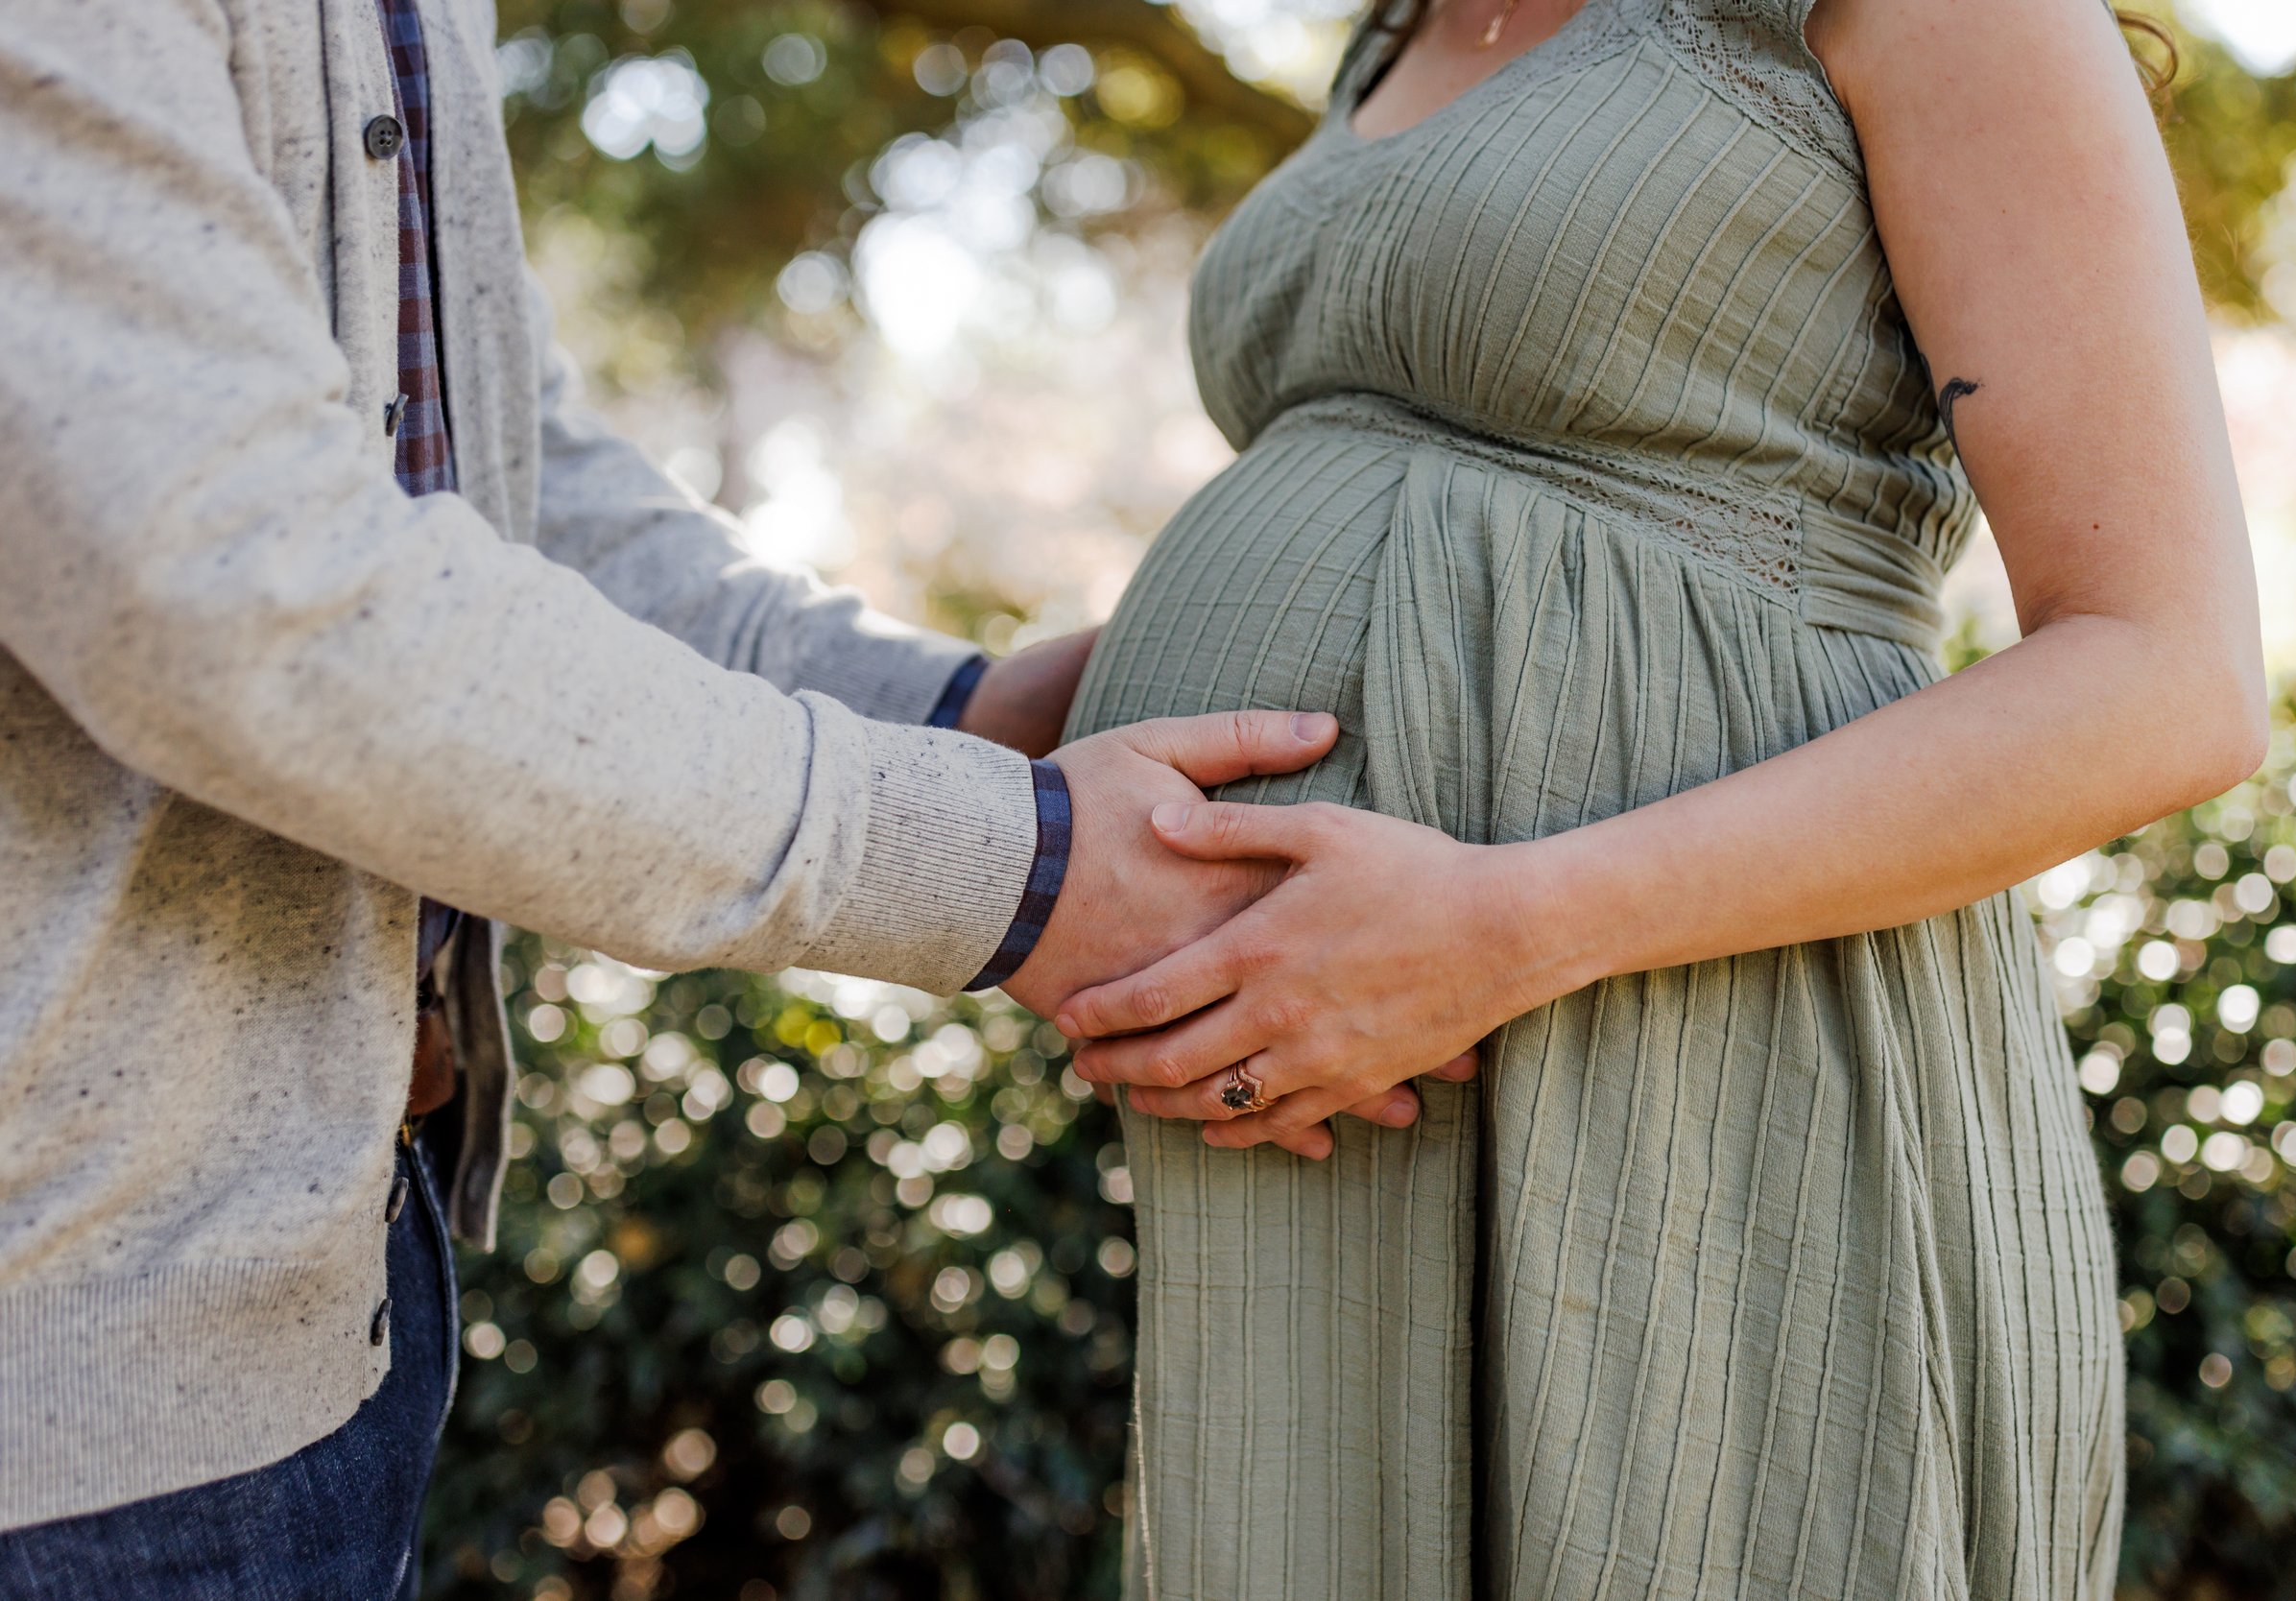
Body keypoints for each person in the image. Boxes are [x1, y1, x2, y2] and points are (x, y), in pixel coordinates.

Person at [0, 0, 1439, 1589]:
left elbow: (510, 479)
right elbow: (243, 583)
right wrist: (1006, 866)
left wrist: (955, 708)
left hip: (313, 1323)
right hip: (60, 1415)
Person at [1055, 0, 2266, 1594]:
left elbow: (2169, 675)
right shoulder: (1402, 25)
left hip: (1701, 1041)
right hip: (1335, 1081)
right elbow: (1391, 519)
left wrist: (1511, 923)